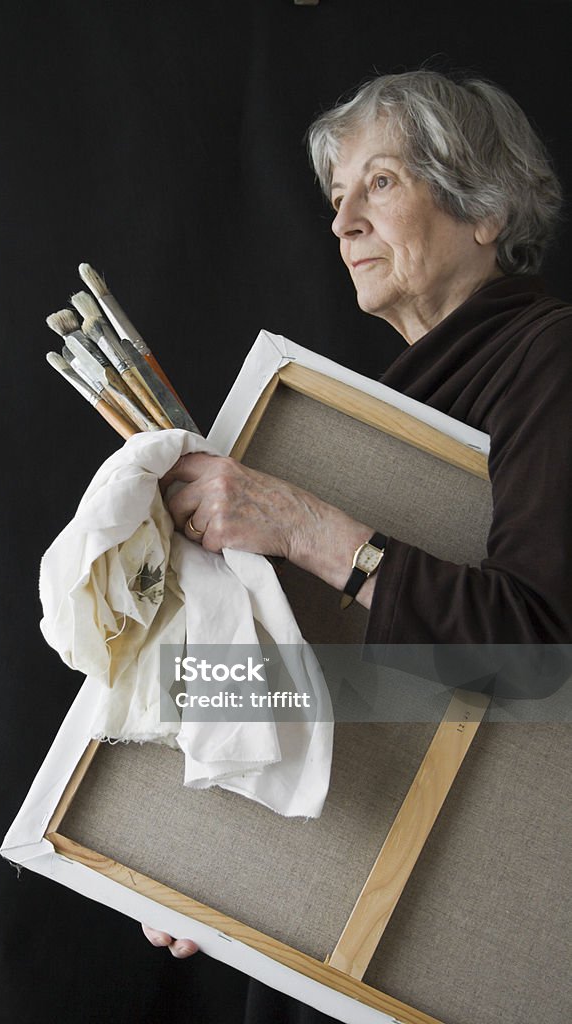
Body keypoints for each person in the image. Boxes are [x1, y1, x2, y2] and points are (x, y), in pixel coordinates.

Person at [141, 66, 572, 1003]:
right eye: (336, 198)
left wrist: (305, 526)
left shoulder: (549, 359)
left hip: (471, 939)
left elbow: (538, 653)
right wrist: (188, 850)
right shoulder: (375, 426)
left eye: (379, 183)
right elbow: (329, 687)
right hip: (329, 914)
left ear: (483, 209)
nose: (340, 224)